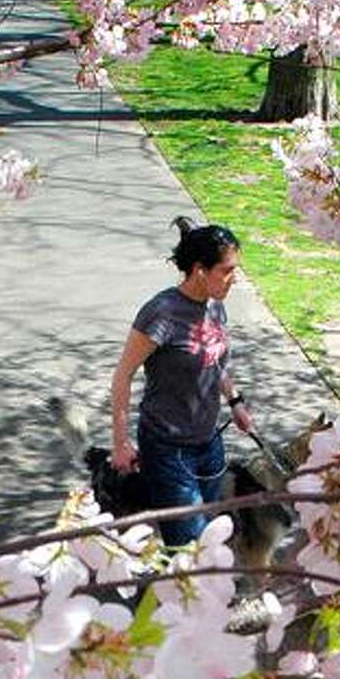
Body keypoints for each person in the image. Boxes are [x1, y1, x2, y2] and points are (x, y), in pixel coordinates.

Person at [110, 219, 255, 547]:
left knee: (209, 538)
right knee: (192, 548)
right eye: (227, 270)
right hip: (167, 449)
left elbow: (215, 362)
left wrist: (235, 402)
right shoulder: (161, 313)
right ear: (200, 270)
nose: (234, 279)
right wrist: (120, 442)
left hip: (209, 445)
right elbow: (122, 377)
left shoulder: (216, 308)